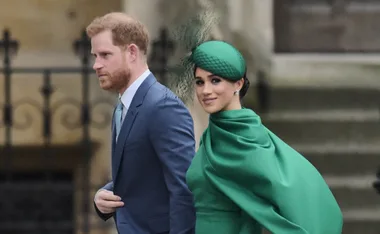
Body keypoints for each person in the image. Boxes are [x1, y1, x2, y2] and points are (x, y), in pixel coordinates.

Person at [184, 40, 344, 234]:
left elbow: (291, 191)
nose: (205, 90)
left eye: (215, 80)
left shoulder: (244, 137)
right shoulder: (213, 134)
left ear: (238, 83)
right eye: (200, 82)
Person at [86, 12, 196, 234]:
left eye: (105, 55)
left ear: (132, 52)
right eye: (95, 55)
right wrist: (103, 197)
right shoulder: (123, 106)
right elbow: (142, 176)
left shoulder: (163, 107)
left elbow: (185, 189)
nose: (96, 65)